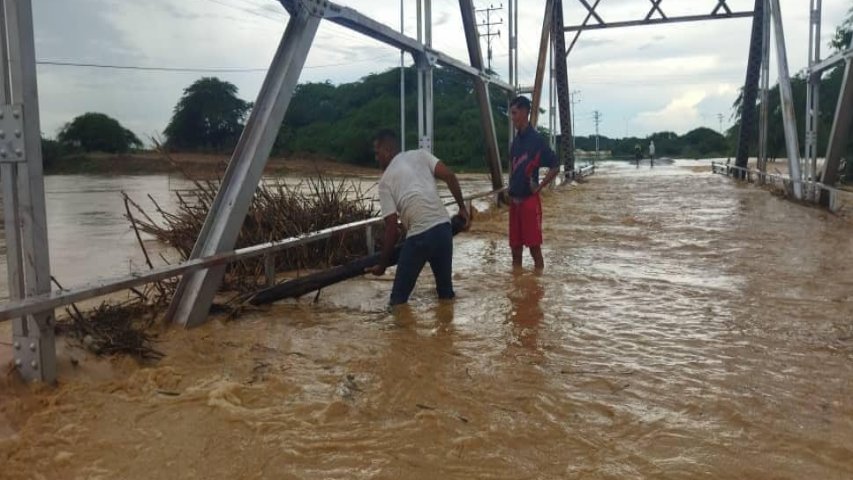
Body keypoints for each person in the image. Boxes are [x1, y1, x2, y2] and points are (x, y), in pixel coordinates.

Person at [367, 129, 470, 306]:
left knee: (397, 302)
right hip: (443, 230)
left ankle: (398, 334)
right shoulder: (421, 155)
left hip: (419, 237)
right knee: (445, 295)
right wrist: (462, 209)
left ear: (388, 150)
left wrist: (382, 265)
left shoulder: (385, 182)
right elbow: (450, 176)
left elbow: (391, 227)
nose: (377, 159)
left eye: (378, 153)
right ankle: (447, 331)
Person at [508, 95, 559, 270]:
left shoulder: (537, 141)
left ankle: (537, 290)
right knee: (515, 250)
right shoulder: (515, 142)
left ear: (524, 112)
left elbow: (555, 166)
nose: (512, 117)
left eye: (514, 113)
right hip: (514, 202)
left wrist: (541, 186)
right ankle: (518, 289)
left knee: (534, 250)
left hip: (529, 202)